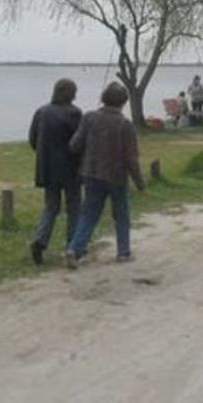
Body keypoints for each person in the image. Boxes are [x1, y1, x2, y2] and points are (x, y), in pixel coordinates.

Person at [65, 82, 145, 268]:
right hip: (117, 177)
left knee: (88, 214)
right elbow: (131, 158)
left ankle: (75, 249)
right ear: (123, 103)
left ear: (103, 99)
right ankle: (123, 253)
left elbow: (74, 145)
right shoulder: (125, 125)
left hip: (92, 174)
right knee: (121, 215)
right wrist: (140, 183)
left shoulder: (89, 118)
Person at [27, 79, 82, 265]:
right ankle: (73, 246)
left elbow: (33, 139)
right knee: (74, 206)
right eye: (74, 91)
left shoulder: (41, 112)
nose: (76, 95)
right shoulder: (74, 113)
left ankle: (40, 241)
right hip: (70, 169)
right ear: (68, 93)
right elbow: (79, 142)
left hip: (47, 169)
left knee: (51, 207)